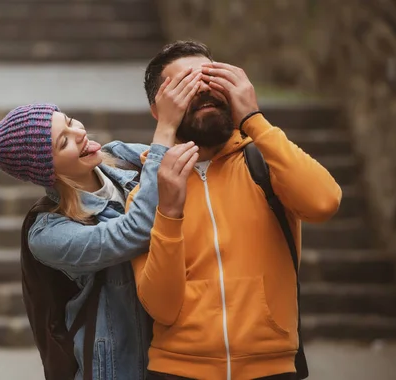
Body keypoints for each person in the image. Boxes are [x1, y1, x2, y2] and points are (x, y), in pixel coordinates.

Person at [126, 41, 343, 380]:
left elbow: (324, 202)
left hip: (271, 368)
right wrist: (168, 210)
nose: (203, 91)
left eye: (212, 79)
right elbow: (162, 307)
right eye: (185, 87)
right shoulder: (146, 193)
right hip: (176, 370)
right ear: (159, 110)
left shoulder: (267, 163)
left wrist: (254, 120)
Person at [0, 68, 205, 380]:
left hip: (180, 355)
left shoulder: (120, 157)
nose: (80, 133)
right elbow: (134, 231)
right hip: (120, 368)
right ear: (49, 172)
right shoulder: (48, 234)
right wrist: (164, 126)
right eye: (64, 142)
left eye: (70, 122)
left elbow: (187, 162)